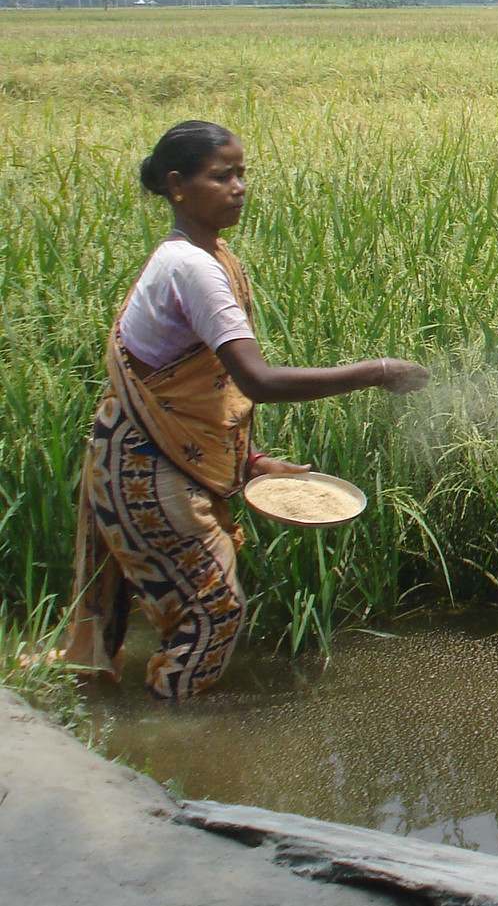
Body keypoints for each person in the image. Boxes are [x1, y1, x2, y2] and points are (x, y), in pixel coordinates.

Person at [63, 121, 429, 700]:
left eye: (242, 174)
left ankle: (111, 715)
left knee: (183, 602)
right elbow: (254, 380)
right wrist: (377, 372)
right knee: (213, 611)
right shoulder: (193, 268)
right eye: (222, 176)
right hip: (147, 465)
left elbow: (201, 392)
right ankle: (169, 736)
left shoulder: (210, 254)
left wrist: (252, 460)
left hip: (148, 452)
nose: (239, 187)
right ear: (177, 185)